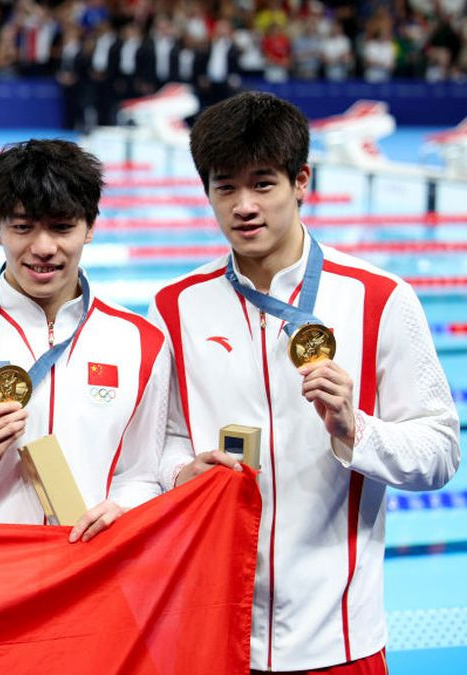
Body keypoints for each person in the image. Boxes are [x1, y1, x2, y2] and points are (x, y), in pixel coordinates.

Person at [151, 91, 460, 673]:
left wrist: (356, 430)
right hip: (213, 630)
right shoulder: (174, 306)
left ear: (302, 182)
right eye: (226, 188)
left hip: (339, 640)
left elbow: (441, 453)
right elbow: (157, 444)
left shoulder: (380, 299)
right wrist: (180, 473)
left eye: (263, 184)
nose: (244, 206)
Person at [0, 139, 167, 540]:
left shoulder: (141, 343)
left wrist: (123, 509)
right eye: (23, 227)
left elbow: (141, 473)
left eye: (62, 227)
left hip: (86, 578)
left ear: (90, 227)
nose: (43, 248)